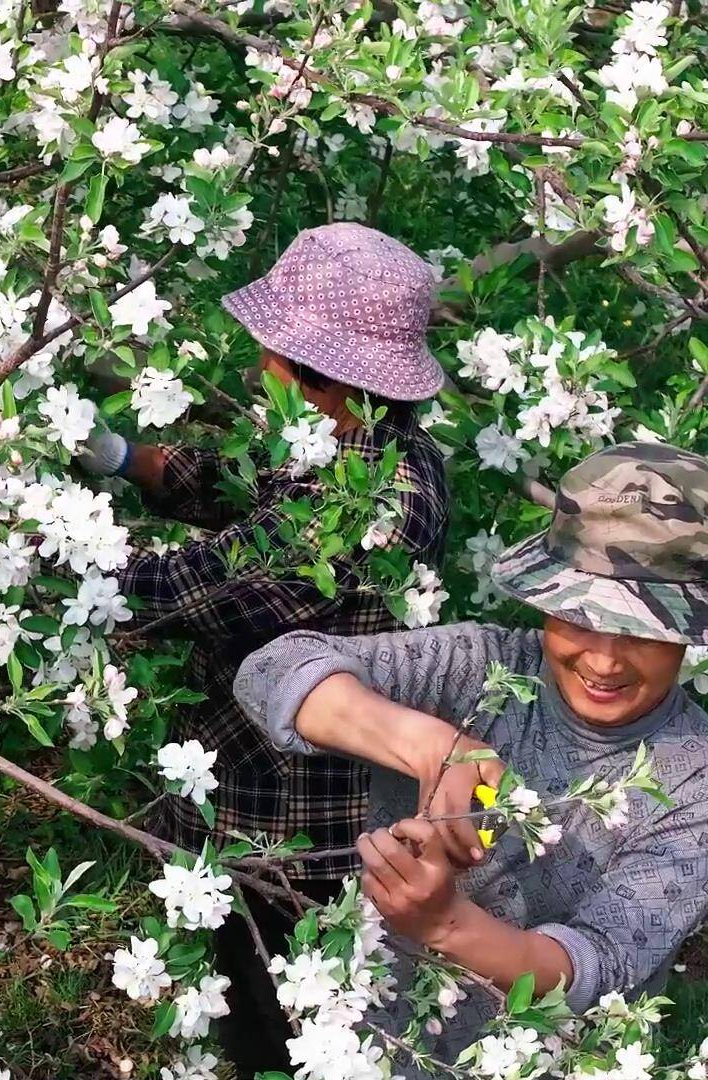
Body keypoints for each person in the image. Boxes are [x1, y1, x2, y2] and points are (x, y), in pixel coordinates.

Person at [75, 223, 451, 1073]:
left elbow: (200, 586)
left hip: (297, 817)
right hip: (236, 773)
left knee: (277, 1012)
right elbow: (234, 477)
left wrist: (39, 557)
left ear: (330, 386)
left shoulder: (372, 506)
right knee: (239, 982)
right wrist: (121, 457)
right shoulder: (342, 444)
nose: (259, 371)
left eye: (276, 359)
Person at [234, 442, 708, 1074]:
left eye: (641, 632)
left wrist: (444, 925)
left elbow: (602, 960)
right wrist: (432, 745)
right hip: (372, 1040)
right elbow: (271, 670)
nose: (603, 660)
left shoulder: (693, 773)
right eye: (578, 618)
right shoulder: (483, 669)